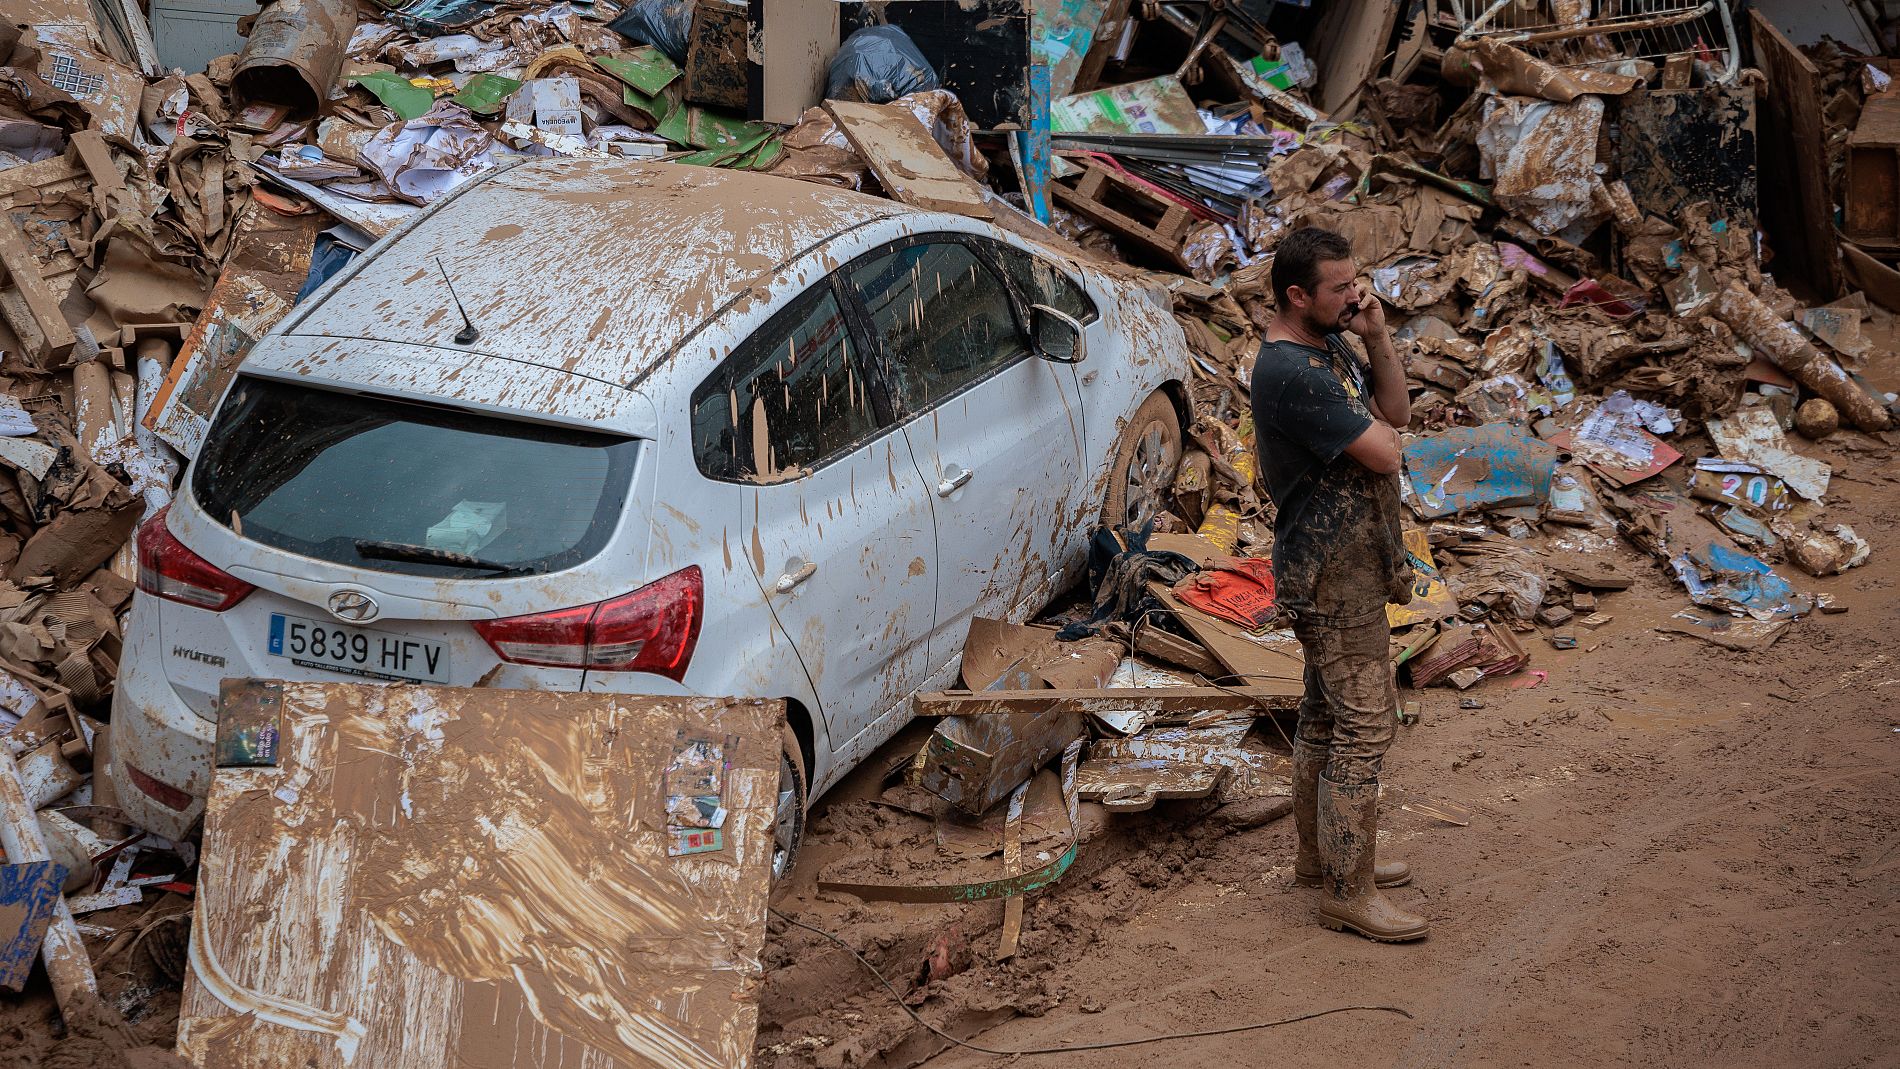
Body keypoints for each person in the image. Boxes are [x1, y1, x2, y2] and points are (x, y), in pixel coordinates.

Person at [1250, 225, 1427, 943]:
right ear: (1297, 296)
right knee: (1364, 726)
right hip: (1329, 575)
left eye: (1356, 282)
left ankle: (1321, 859)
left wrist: (1377, 334)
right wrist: (1386, 441)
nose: (1356, 295)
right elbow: (1386, 451)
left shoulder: (1330, 345)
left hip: (1345, 564)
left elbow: (1398, 411)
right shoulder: (1292, 370)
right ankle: (1347, 890)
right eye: (1340, 288)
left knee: (1325, 716)